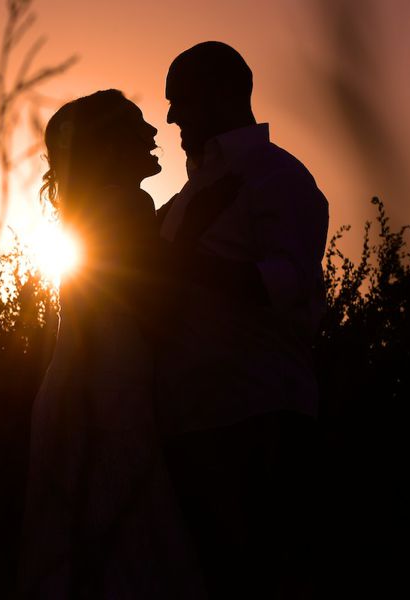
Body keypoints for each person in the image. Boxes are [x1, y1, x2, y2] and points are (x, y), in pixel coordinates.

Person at [155, 41, 330, 599]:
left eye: (182, 99)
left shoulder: (279, 178)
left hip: (258, 421)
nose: (172, 116)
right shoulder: (187, 196)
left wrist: (181, 264)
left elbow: (284, 284)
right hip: (190, 426)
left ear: (226, 94)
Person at [17, 90, 206, 599]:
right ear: (107, 144)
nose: (152, 134)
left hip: (74, 386)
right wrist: (201, 222)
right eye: (136, 125)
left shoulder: (97, 208)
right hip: (109, 388)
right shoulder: (125, 203)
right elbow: (155, 296)